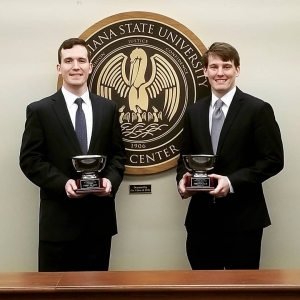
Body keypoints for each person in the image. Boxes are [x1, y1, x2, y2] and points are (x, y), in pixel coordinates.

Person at [19, 38, 127, 272]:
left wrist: (109, 181)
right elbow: (30, 160)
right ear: (59, 68)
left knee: (95, 295)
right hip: (57, 225)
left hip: (98, 224)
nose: (75, 66)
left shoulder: (108, 108)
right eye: (68, 61)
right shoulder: (40, 110)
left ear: (90, 66)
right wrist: (63, 183)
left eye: (81, 60)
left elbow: (118, 156)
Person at [176, 42, 284, 270]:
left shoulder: (258, 109)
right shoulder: (194, 111)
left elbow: (273, 160)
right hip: (201, 222)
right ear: (205, 71)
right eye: (214, 67)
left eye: (226, 66)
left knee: (242, 293)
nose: (220, 73)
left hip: (244, 223)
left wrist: (231, 182)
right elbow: (184, 157)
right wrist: (182, 182)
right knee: (204, 292)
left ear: (237, 70)